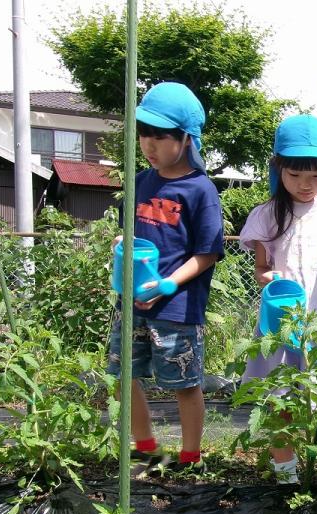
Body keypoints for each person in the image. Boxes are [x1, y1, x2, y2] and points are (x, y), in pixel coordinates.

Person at [108, 81, 225, 474]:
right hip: (132, 298)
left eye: (160, 136)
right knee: (124, 374)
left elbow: (208, 251)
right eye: (144, 134)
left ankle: (190, 455)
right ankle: (145, 447)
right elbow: (131, 233)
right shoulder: (141, 182)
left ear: (187, 139)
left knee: (184, 381)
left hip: (176, 305)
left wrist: (169, 284)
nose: (149, 144)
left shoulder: (200, 190)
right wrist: (120, 244)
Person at [239, 114, 317, 484]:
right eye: (295, 176)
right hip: (281, 328)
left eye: (316, 175)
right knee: (281, 403)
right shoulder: (266, 214)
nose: (306, 185)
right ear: (278, 169)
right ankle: (285, 475)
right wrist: (269, 277)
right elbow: (262, 269)